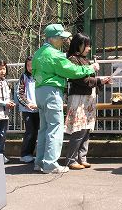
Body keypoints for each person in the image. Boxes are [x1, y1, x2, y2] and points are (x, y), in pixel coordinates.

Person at [32, 23, 99, 174]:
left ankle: (40, 161)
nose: (63, 41)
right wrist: (90, 68)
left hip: (39, 91)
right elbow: (71, 71)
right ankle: (50, 164)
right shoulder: (54, 55)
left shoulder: (38, 53)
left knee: (43, 129)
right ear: (53, 38)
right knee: (55, 128)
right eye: (61, 38)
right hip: (52, 92)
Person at [64, 33, 111, 170]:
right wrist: (98, 80)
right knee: (78, 129)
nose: (89, 48)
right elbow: (79, 79)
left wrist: (101, 81)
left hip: (88, 97)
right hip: (79, 98)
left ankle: (82, 157)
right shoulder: (73, 60)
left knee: (86, 129)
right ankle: (71, 159)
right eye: (87, 45)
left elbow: (88, 80)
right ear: (79, 45)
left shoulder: (84, 60)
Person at [17, 56, 39, 163]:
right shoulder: (24, 77)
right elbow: (19, 93)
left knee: (36, 132)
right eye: (28, 65)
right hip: (27, 109)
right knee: (30, 131)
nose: (30, 67)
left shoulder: (39, 76)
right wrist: (27, 103)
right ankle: (25, 153)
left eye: (32, 65)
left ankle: (31, 153)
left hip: (38, 108)